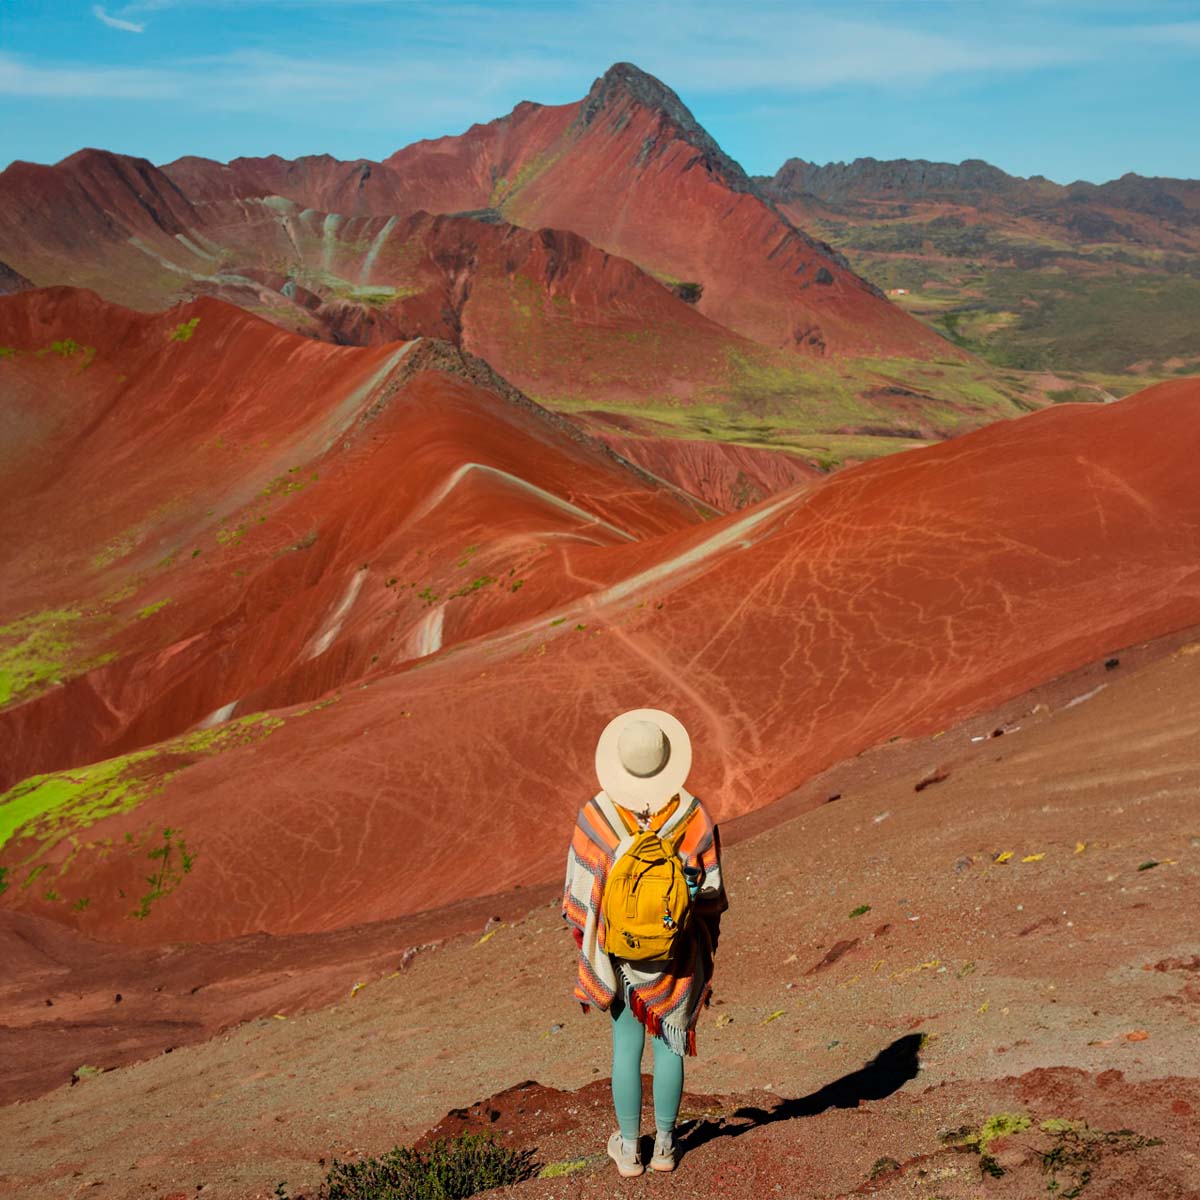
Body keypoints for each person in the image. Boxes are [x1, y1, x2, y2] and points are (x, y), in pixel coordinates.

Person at [561, 708, 727, 1176]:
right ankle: (667, 1148)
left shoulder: (597, 815)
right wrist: (701, 942)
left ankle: (630, 1148)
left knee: (625, 1046)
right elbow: (711, 893)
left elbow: (579, 895)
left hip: (619, 953)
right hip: (677, 955)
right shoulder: (692, 816)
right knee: (670, 1042)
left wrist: (591, 940)